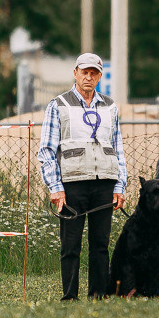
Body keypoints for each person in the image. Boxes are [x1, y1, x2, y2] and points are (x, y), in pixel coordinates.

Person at [38, 53, 128, 300]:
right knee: (70, 246)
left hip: (105, 183)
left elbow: (118, 148)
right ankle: (70, 297)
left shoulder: (110, 106)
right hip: (72, 184)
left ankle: (98, 294)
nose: (88, 77)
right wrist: (55, 187)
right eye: (84, 72)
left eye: (94, 73)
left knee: (100, 245)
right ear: (75, 72)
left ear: (99, 76)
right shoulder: (58, 104)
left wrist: (120, 186)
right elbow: (47, 150)